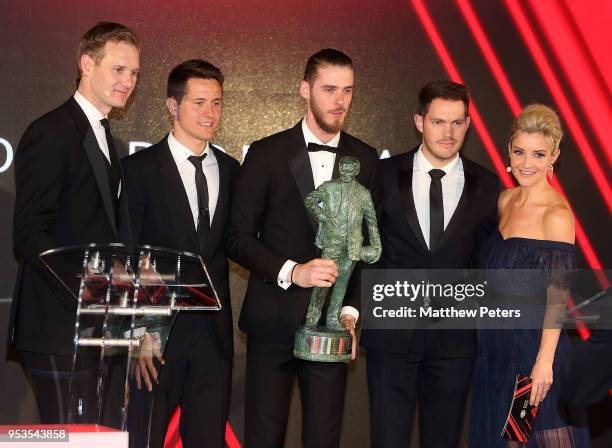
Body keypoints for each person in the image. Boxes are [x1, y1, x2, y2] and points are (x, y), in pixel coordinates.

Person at [226, 48, 380, 448]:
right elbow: (236, 237)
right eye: (329, 89)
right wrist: (294, 271)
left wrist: (350, 312)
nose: (340, 101)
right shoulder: (267, 153)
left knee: (323, 438)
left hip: (331, 328)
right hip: (272, 323)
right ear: (304, 90)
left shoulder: (365, 158)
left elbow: (367, 247)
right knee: (263, 437)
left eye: (347, 90)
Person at [9, 22, 139, 424]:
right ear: (87, 64)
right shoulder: (50, 133)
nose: (128, 81)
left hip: (98, 329)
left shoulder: (102, 134)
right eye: (118, 69)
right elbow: (30, 235)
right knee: (70, 437)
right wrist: (89, 292)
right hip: (59, 327)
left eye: (134, 72)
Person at [361, 80, 500, 447]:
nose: (449, 132)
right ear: (419, 121)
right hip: (391, 338)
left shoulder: (489, 187)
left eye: (458, 122)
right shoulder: (383, 175)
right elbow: (364, 250)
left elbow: (489, 264)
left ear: (468, 125)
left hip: (453, 344)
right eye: (439, 121)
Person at [119, 59, 239, 447]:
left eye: (217, 103)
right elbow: (126, 255)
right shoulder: (137, 170)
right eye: (200, 102)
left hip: (214, 339)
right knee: (146, 437)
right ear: (173, 106)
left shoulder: (234, 170)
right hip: (156, 338)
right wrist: (138, 332)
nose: (210, 113)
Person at [469, 104, 590, 447]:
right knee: (508, 441)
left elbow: (558, 293)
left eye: (538, 154)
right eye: (519, 151)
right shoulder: (505, 200)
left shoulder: (557, 214)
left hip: (531, 355)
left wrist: (543, 363)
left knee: (538, 439)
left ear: (554, 156)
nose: (526, 163)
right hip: (495, 351)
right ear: (508, 150)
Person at [303, 156, 381, 331]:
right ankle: (312, 319)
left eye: (350, 170)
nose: (346, 173)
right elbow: (310, 200)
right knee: (322, 282)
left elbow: (371, 221)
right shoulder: (329, 187)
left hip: (352, 246)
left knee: (341, 284)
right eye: (343, 169)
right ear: (339, 168)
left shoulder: (363, 193)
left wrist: (376, 246)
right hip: (331, 242)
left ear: (356, 171)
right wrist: (322, 216)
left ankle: (332, 318)